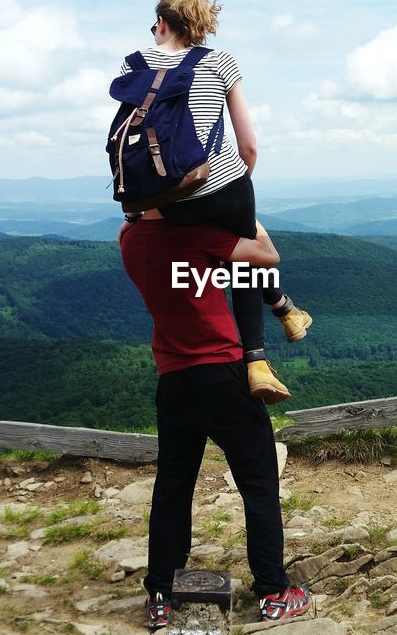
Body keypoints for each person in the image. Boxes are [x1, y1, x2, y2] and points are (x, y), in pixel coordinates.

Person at [118, 210, 312, 628]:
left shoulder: (130, 239)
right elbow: (266, 254)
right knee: (259, 482)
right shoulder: (199, 231)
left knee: (172, 486)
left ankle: (160, 597)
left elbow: (216, 278)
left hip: (173, 380)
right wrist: (243, 213)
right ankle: (274, 594)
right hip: (222, 375)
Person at [121, 0, 311, 404]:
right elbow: (249, 148)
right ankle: (259, 357)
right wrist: (237, 187)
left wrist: (146, 201)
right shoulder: (221, 61)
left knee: (224, 258)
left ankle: (284, 308)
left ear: (163, 23)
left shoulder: (134, 64)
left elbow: (134, 136)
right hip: (224, 182)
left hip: (169, 196)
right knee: (243, 256)